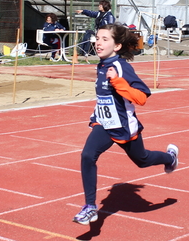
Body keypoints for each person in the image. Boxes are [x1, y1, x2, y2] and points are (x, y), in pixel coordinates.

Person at [72, 23, 178, 225]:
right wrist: (96, 116)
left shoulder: (121, 67)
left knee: (142, 160)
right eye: (97, 38)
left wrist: (118, 82)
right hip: (104, 124)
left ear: (117, 46)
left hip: (124, 126)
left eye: (105, 39)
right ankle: (90, 207)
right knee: (87, 155)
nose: (98, 42)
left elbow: (141, 97)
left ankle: (169, 158)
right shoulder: (101, 64)